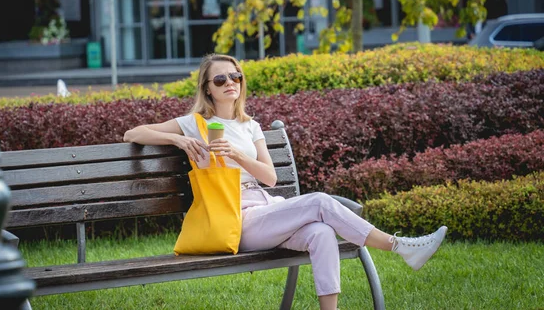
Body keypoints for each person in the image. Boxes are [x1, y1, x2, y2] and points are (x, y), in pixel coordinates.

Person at [124, 54, 448, 310]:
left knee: (321, 233)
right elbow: (133, 133)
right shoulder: (195, 124)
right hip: (237, 219)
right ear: (207, 87)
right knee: (320, 201)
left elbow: (270, 177)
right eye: (220, 79)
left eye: (235, 76)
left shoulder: (251, 125)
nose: (230, 83)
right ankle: (399, 246)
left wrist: (237, 154)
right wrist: (179, 141)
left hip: (268, 208)